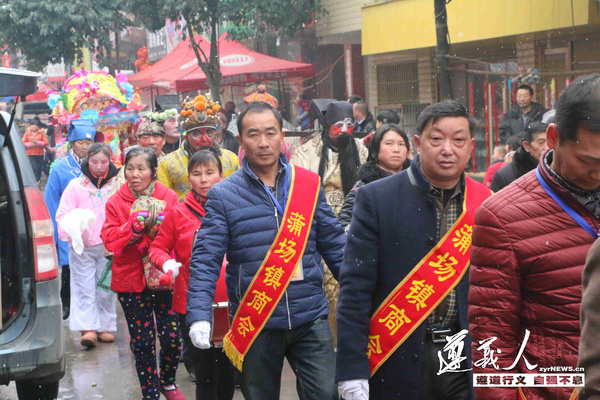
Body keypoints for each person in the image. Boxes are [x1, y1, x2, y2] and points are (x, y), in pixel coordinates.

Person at [186, 101, 345, 400]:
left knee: (326, 393)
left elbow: (335, 245)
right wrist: (199, 315)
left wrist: (364, 293)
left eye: (270, 133)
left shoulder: (307, 184)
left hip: (309, 314)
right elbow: (206, 259)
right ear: (241, 140)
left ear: (281, 135)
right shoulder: (223, 194)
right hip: (256, 318)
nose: (263, 143)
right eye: (253, 134)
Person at [336, 100, 492, 400]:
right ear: (418, 144)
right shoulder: (376, 198)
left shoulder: (487, 202)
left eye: (458, 140)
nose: (448, 149)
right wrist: (351, 370)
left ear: (470, 146)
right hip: (397, 353)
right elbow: (355, 291)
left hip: (464, 356)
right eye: (437, 139)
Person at [469, 74, 600, 400]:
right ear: (553, 137)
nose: (599, 173)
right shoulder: (502, 216)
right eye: (589, 161)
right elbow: (491, 340)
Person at [149, 149, 236, 400]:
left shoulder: (234, 208)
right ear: (189, 178)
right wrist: (166, 263)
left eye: (210, 173)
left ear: (221, 176)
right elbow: (158, 247)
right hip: (191, 301)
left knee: (229, 369)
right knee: (206, 372)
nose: (204, 179)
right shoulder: (178, 212)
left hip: (231, 299)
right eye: (197, 174)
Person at [101, 147, 183, 400]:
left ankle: (167, 382)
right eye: (130, 168)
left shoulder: (168, 196)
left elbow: (178, 235)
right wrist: (130, 229)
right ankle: (150, 392)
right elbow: (108, 240)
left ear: (154, 172)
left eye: (141, 168)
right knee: (143, 342)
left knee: (171, 339)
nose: (134, 174)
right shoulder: (116, 201)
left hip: (164, 278)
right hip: (130, 280)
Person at [55, 143, 118, 348]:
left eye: (103, 162)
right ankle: (88, 328)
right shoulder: (75, 185)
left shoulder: (116, 185)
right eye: (94, 161)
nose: (99, 166)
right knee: (83, 286)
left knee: (106, 287)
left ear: (110, 161)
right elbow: (62, 214)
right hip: (82, 245)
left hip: (109, 245)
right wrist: (74, 228)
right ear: (87, 161)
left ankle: (105, 326)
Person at [44, 118, 96, 320]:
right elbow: (51, 200)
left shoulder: (99, 165)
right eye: (81, 142)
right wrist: (56, 229)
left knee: (94, 267)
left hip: (92, 225)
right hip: (68, 225)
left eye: (88, 142)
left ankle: (92, 309)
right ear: (72, 143)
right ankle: (67, 304)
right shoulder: (60, 167)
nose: (85, 146)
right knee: (69, 269)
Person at [290, 101, 368, 216]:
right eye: (339, 125)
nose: (345, 130)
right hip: (317, 216)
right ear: (328, 126)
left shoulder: (362, 152)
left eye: (349, 125)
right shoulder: (305, 153)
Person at [158, 96, 239, 201]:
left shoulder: (231, 159)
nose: (204, 139)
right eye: (197, 134)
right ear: (187, 137)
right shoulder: (167, 164)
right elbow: (163, 201)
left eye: (209, 133)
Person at [338, 123, 410, 231]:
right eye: (389, 143)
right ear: (376, 149)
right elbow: (345, 222)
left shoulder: (416, 180)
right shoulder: (364, 186)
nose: (396, 149)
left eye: (401, 144)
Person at [110, 116, 167, 197]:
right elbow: (115, 196)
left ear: (164, 140)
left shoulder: (170, 163)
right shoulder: (129, 167)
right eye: (146, 138)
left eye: (156, 137)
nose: (151, 142)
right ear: (139, 142)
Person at [491, 122, 548, 191]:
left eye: (550, 141)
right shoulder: (505, 176)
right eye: (541, 142)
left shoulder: (559, 171)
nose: (547, 147)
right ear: (526, 145)